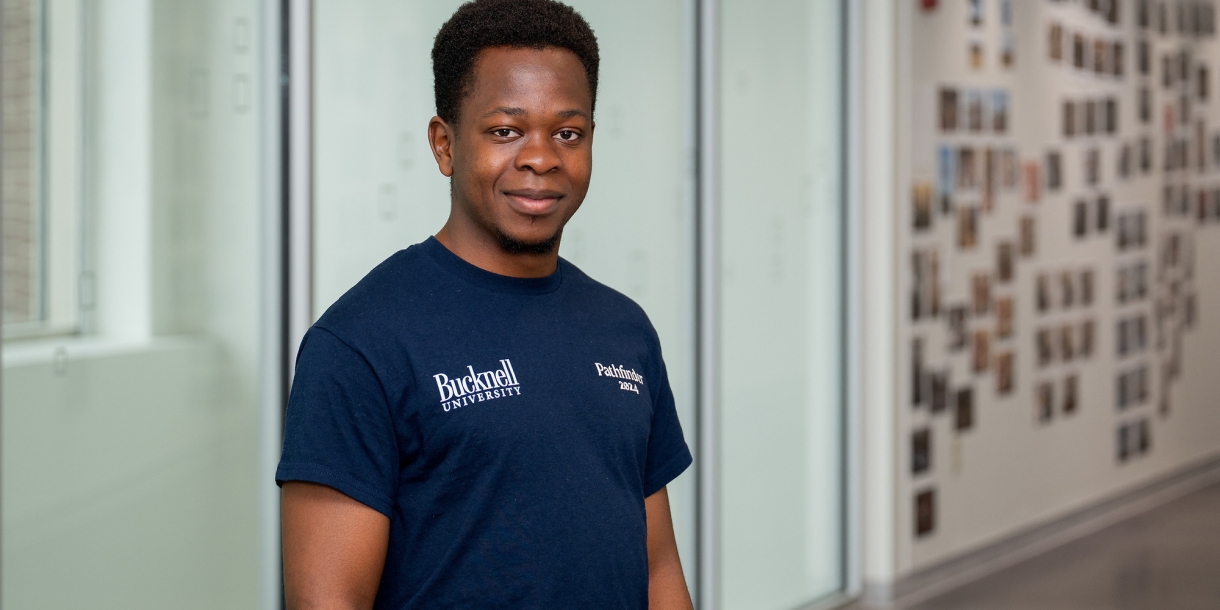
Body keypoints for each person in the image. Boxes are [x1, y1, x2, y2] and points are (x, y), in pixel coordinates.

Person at [276, 1, 694, 608]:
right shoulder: (360, 344)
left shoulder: (624, 329)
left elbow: (657, 569)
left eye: (567, 133)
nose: (541, 157)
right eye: (505, 130)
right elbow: (328, 600)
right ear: (444, 145)